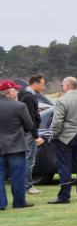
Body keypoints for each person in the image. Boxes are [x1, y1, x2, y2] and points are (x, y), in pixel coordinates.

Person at [48, 77, 77, 204]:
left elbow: (57, 122)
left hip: (65, 137)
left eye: (63, 85)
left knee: (64, 166)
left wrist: (54, 135)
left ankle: (64, 196)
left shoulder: (61, 101)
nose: (62, 87)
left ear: (67, 86)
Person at [0, 79, 35, 210]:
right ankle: (19, 202)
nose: (17, 91)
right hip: (16, 145)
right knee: (18, 176)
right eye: (15, 89)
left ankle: (1, 204)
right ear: (9, 92)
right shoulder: (19, 106)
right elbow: (30, 125)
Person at [17, 74, 46, 194]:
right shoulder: (29, 97)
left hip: (25, 131)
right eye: (42, 85)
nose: (42, 87)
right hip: (30, 132)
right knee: (30, 159)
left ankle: (25, 185)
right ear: (35, 83)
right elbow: (30, 118)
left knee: (26, 158)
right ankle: (28, 186)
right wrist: (36, 135)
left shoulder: (24, 94)